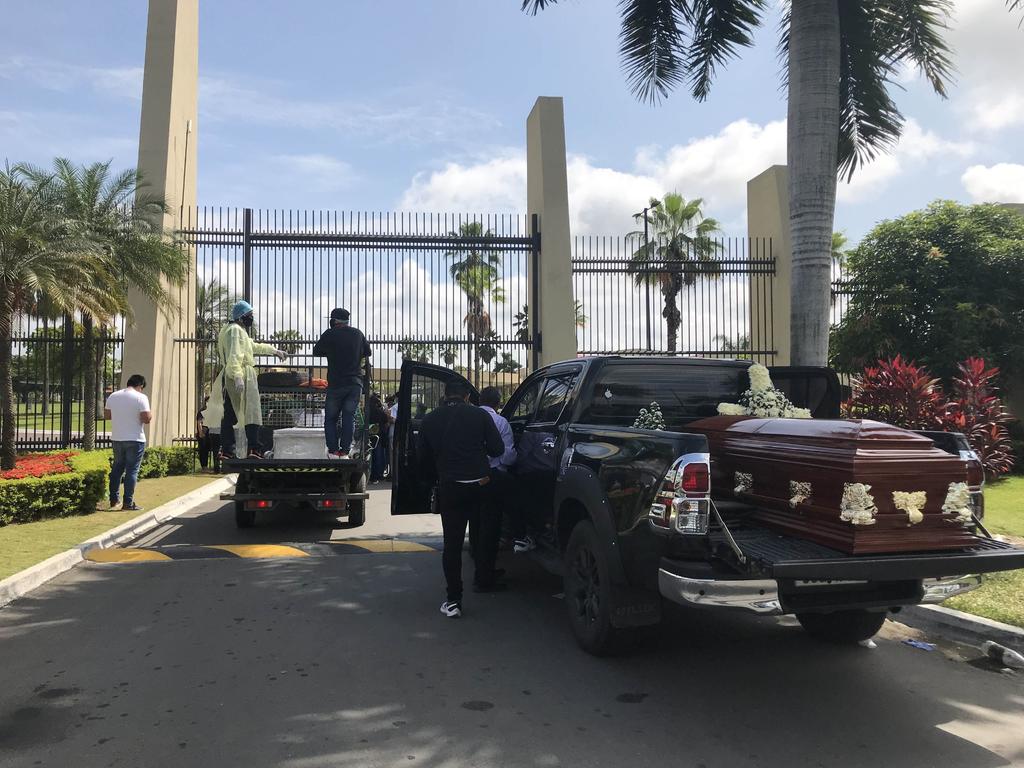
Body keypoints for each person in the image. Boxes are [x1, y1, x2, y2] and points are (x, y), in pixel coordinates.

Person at [418, 380, 505, 618]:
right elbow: (497, 450)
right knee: (482, 534)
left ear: (445, 395)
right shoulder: (480, 415)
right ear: (467, 397)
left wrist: (435, 477)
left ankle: (453, 600)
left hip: (451, 486)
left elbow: (422, 459)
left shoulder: (430, 419)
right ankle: (484, 578)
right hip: (480, 484)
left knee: (453, 545)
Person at [205, 301, 289, 460]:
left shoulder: (230, 330)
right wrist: (238, 376)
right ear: (241, 316)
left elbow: (252, 346)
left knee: (230, 413)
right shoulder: (236, 331)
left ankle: (227, 450)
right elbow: (235, 354)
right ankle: (254, 448)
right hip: (242, 374)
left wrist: (274, 351)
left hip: (231, 374)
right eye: (249, 315)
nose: (251, 318)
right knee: (252, 412)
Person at [312, 308, 371, 458]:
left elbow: (316, 351)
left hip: (336, 384)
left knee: (331, 418)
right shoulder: (358, 334)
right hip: (355, 383)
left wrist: (331, 351)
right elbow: (368, 352)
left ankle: (333, 451)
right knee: (349, 417)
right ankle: (345, 450)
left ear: (334, 320)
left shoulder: (329, 334)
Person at [478, 386, 517, 564]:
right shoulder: (501, 422)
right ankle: (519, 534)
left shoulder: (468, 418)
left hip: (469, 476)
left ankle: (475, 552)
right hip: (494, 476)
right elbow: (508, 457)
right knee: (492, 522)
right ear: (498, 403)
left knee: (476, 518)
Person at [104, 374, 151, 511]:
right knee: (132, 471)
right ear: (140, 386)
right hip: (135, 438)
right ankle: (128, 503)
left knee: (116, 469)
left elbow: (107, 416)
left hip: (118, 438)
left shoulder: (113, 396)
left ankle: (114, 501)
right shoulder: (141, 397)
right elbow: (146, 418)